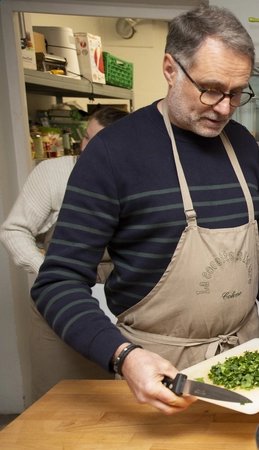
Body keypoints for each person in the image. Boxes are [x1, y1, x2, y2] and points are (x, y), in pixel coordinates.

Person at [31, 5, 259, 415]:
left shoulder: (243, 144)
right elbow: (57, 283)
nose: (226, 108)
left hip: (243, 360)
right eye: (211, 89)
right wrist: (123, 356)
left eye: (237, 92)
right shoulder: (113, 153)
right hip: (158, 376)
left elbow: (258, 241)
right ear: (170, 69)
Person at [0, 107, 128, 401]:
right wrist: (50, 272)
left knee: (117, 406)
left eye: (99, 143)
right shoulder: (54, 173)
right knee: (59, 402)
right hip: (61, 306)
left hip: (118, 304)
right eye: (86, 138)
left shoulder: (134, 175)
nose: (87, 149)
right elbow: (13, 230)